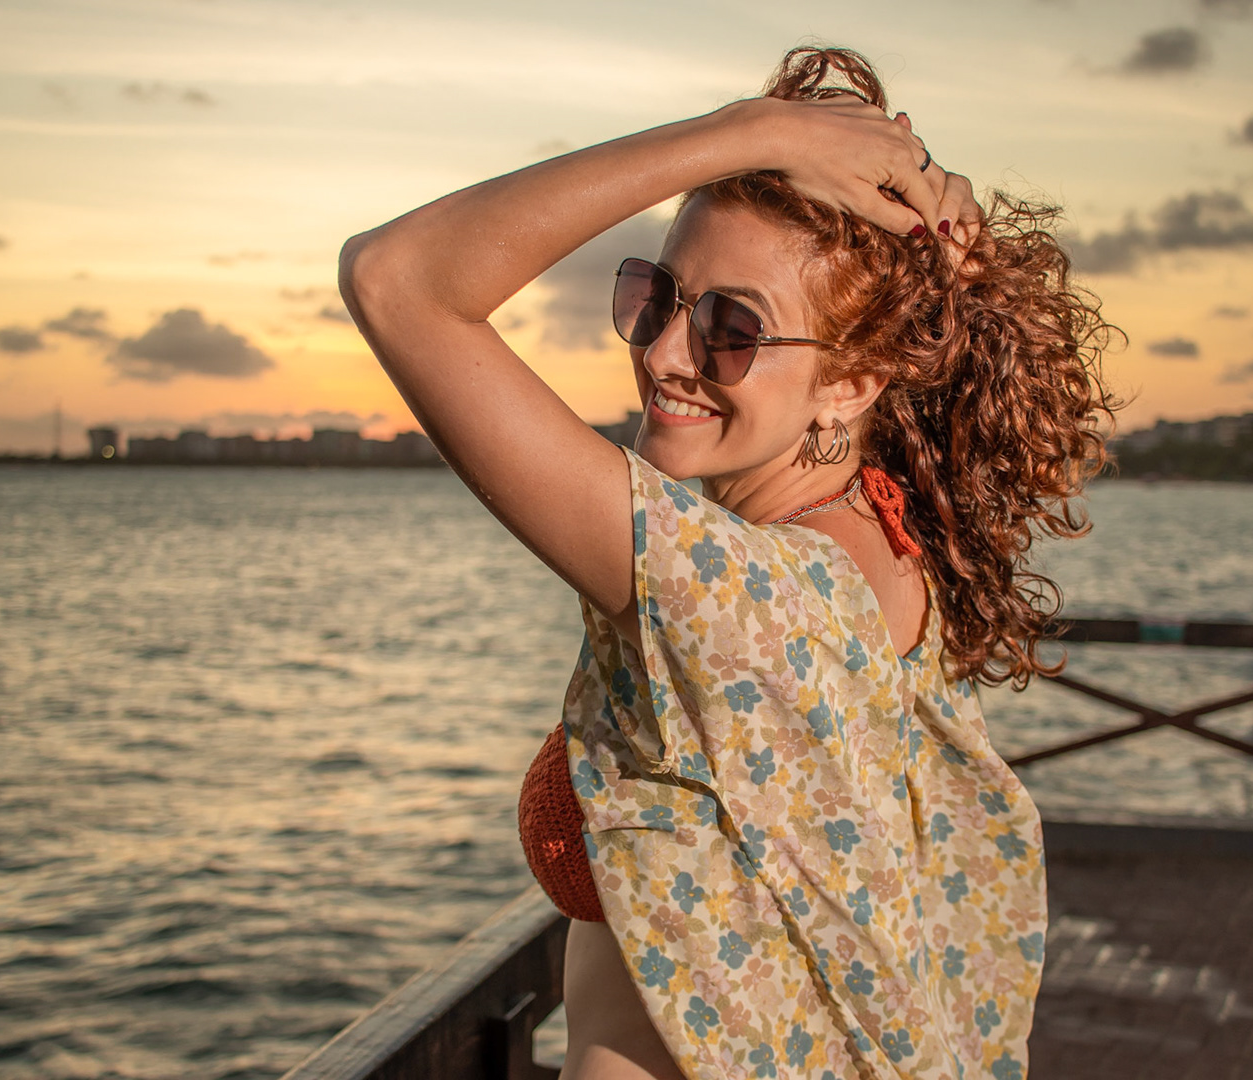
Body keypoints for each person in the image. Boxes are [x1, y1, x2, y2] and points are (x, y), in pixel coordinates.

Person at [340, 45, 1114, 1080]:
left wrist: (749, 131)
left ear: (853, 383)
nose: (665, 353)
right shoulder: (880, 546)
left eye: (732, 329)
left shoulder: (743, 590)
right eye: (656, 295)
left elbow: (397, 279)